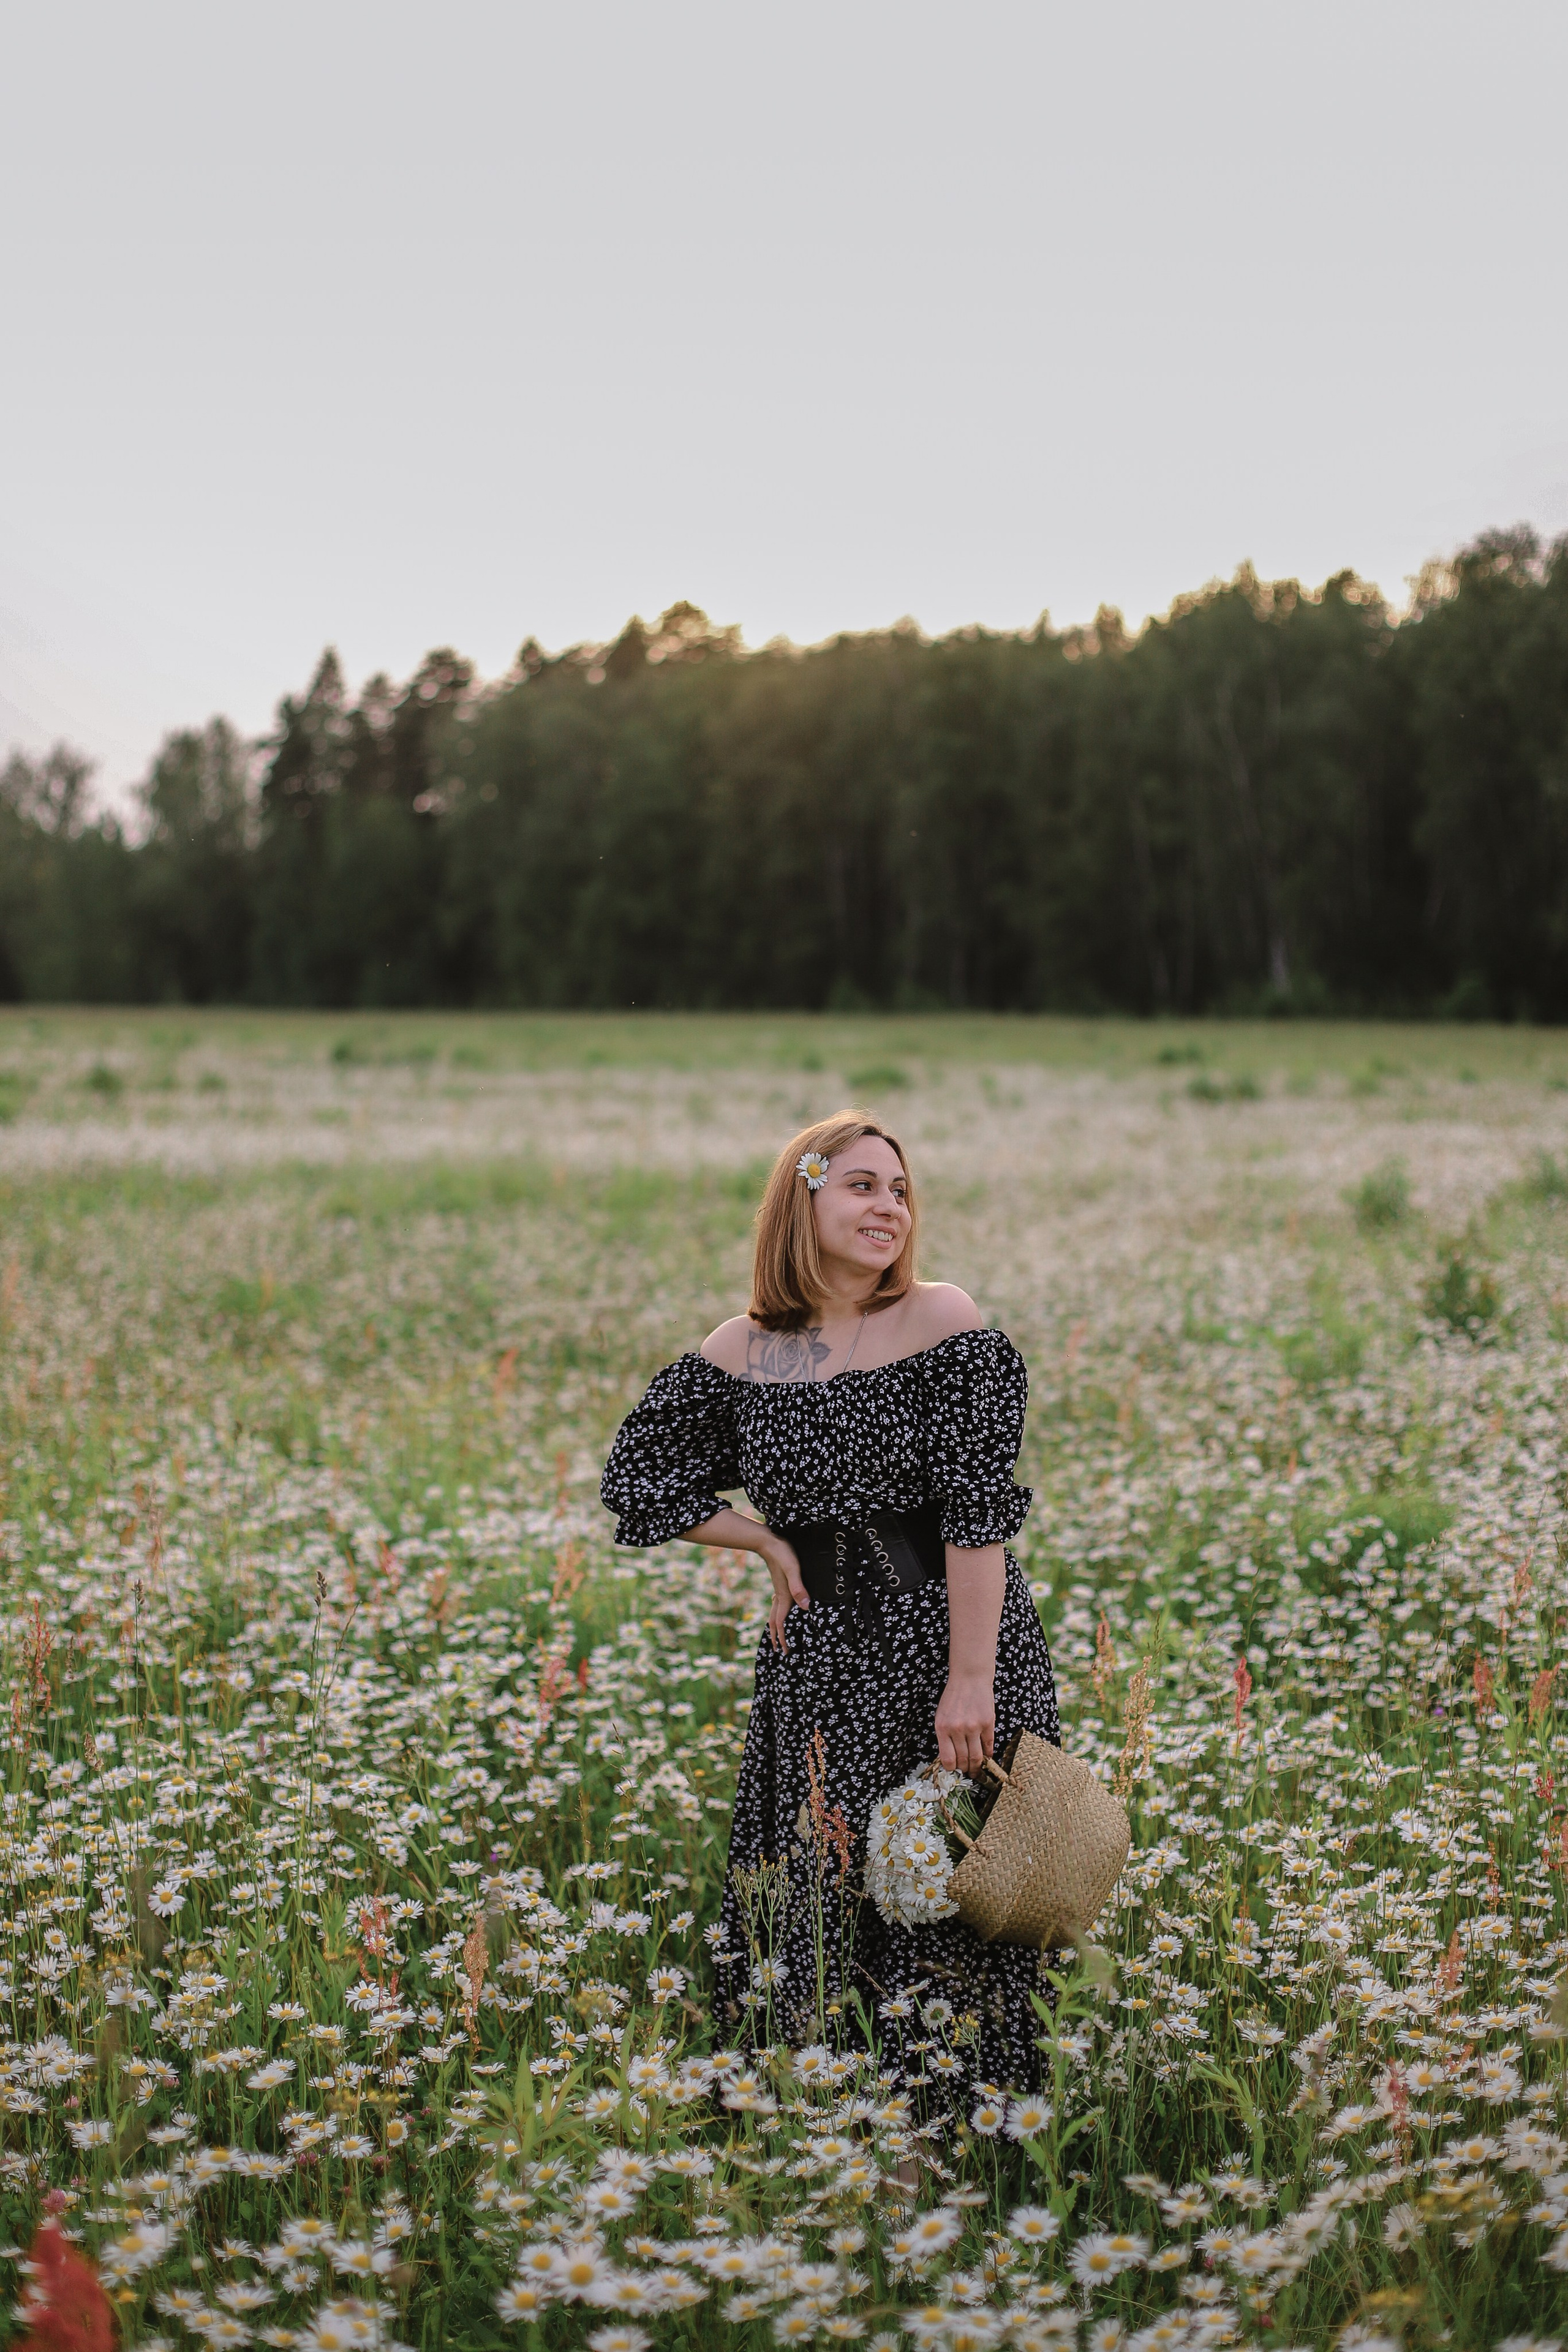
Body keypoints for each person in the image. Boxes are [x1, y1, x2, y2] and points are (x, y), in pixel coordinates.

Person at [600, 1109, 1060, 2097]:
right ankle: (825, 2119)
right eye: (860, 1185)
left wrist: (971, 1681)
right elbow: (637, 1480)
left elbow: (977, 1517)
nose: (888, 1206)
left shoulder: (943, 1322)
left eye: (899, 1190)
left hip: (946, 1637)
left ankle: (953, 2142)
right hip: (819, 1661)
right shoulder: (748, 1348)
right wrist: (763, 1539)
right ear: (799, 1199)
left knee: (948, 1876)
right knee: (824, 1880)